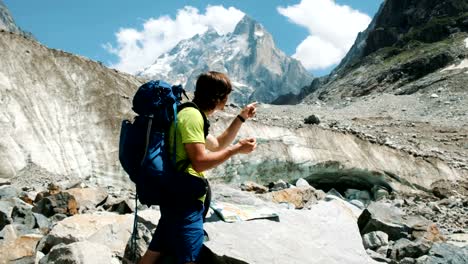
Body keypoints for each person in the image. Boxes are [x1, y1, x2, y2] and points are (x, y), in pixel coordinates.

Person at [139, 71, 257, 264]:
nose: (227, 100)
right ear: (219, 97)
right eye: (226, 96)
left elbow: (217, 144)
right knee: (189, 258)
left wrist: (241, 117)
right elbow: (200, 161)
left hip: (175, 197)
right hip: (185, 202)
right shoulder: (192, 117)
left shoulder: (189, 113)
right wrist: (236, 150)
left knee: (153, 254)